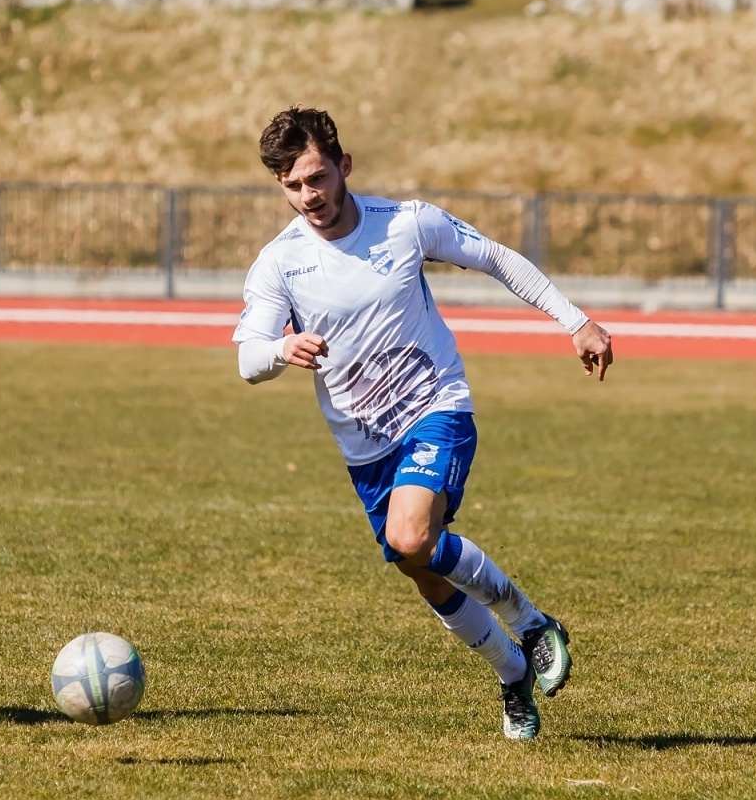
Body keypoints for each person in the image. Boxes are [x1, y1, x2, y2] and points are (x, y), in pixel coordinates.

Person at [233, 107, 613, 740]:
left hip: (435, 405)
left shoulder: (405, 224)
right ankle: (512, 673)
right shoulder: (280, 263)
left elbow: (495, 257)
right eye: (293, 185)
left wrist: (575, 321)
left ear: (343, 166)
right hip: (364, 442)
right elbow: (248, 356)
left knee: (412, 538)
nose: (309, 197)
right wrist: (281, 350)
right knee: (422, 569)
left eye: (317, 178)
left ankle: (531, 621)